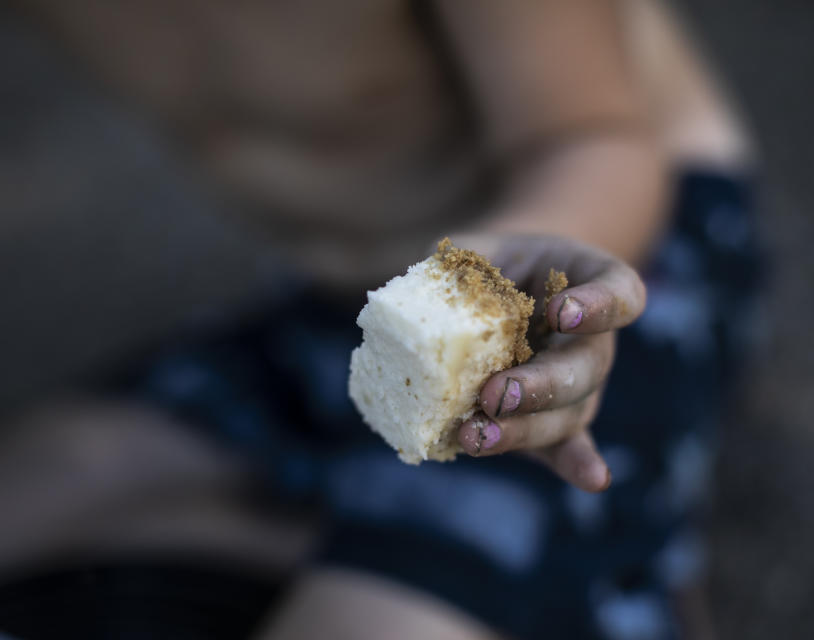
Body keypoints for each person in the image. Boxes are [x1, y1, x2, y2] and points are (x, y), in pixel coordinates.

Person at [0, 1, 762, 638]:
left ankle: (592, 573)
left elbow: (590, 138)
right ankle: (357, 523)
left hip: (603, 238)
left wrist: (488, 297)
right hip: (355, 297)